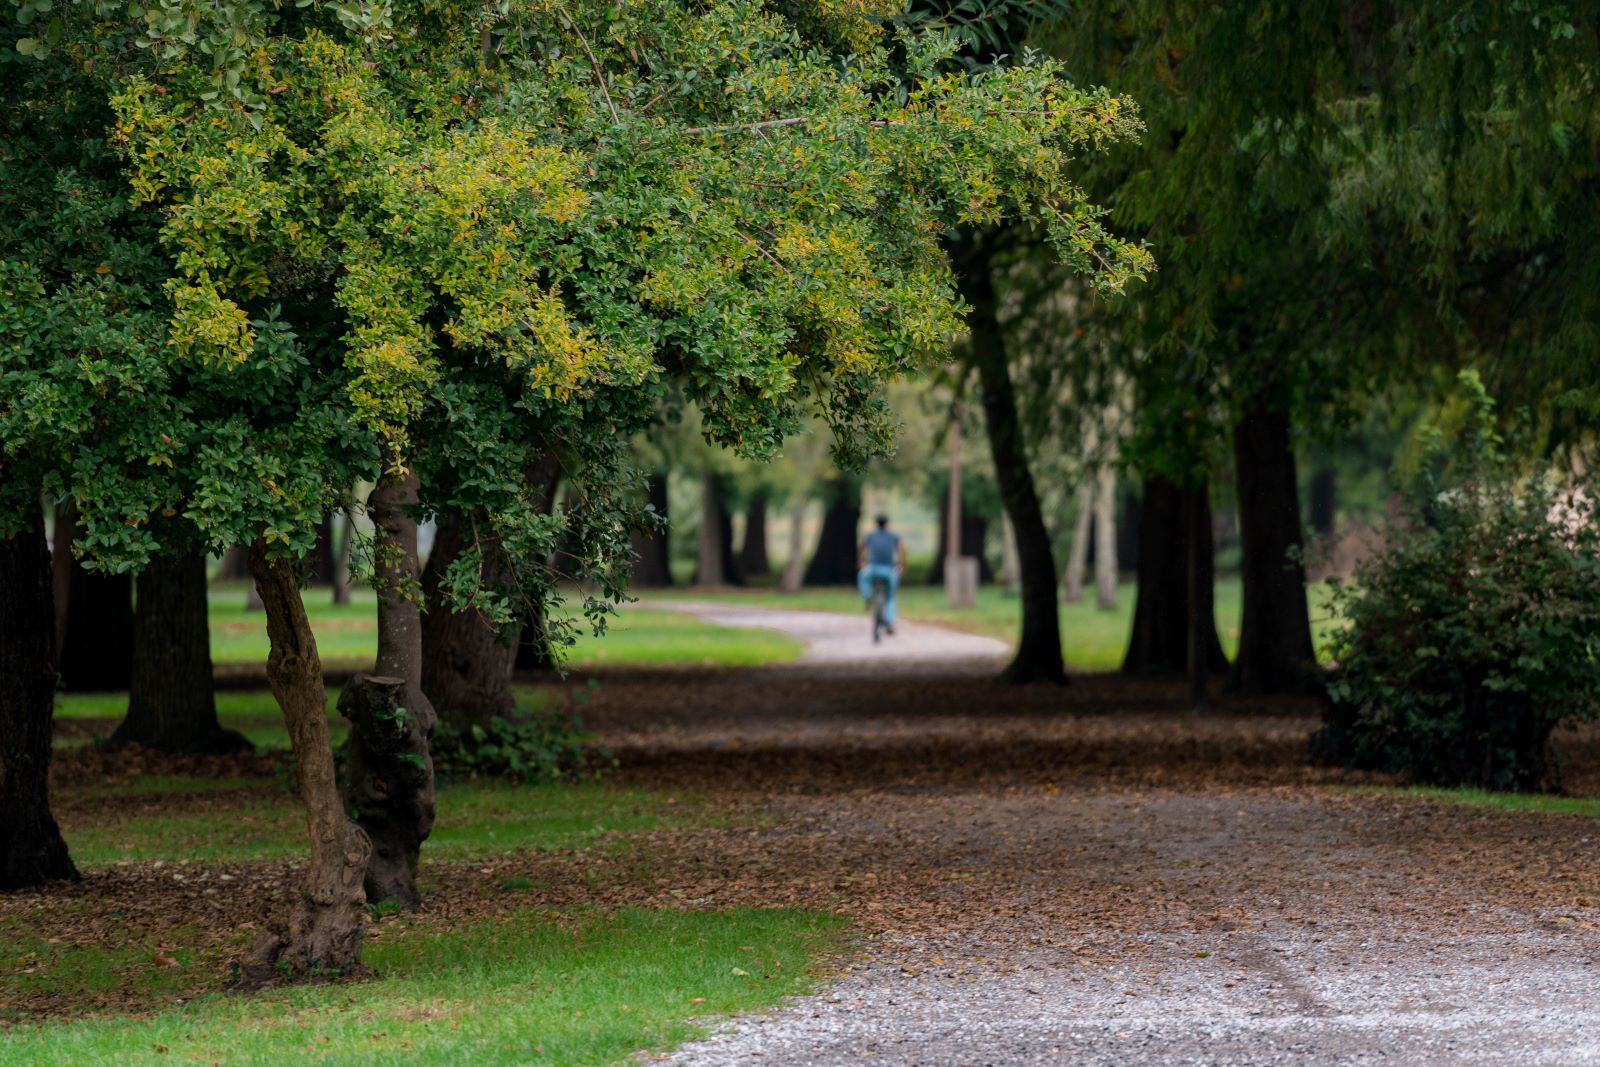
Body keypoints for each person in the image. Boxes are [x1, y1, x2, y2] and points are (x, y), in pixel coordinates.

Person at [857, 514, 906, 635]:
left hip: (872, 568)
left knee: (862, 576)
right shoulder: (894, 536)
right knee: (890, 598)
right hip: (889, 570)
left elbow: (862, 548)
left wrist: (861, 562)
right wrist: (901, 565)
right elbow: (901, 550)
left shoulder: (870, 536)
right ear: (887, 523)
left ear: (876, 523)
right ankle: (889, 622)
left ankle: (867, 596)